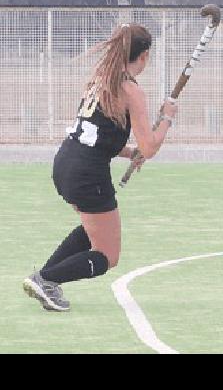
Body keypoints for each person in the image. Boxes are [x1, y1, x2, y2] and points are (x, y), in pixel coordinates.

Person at [23, 23, 177, 312]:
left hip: (67, 162)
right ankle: (45, 278)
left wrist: (129, 151)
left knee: (93, 229)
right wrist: (167, 118)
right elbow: (151, 148)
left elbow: (98, 133)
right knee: (108, 254)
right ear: (143, 56)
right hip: (86, 174)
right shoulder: (131, 90)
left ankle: (46, 280)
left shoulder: (101, 79)